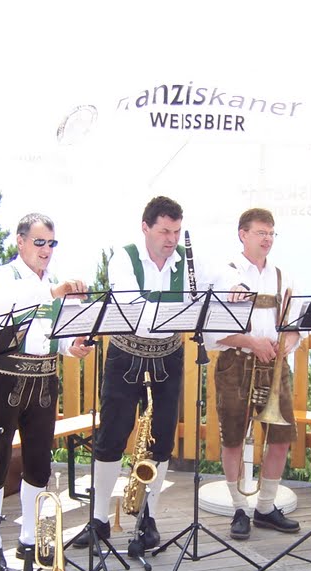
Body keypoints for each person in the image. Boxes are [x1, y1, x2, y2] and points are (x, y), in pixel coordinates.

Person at [0, 213, 91, 571]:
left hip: (44, 377)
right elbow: (11, 307)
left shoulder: (54, 281)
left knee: (39, 463)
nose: (46, 250)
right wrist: (55, 292)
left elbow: (59, 334)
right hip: (3, 377)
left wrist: (74, 346)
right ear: (20, 242)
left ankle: (29, 540)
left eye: (51, 243)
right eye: (39, 242)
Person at [75, 196, 191, 550]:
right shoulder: (124, 258)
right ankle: (98, 520)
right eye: (164, 231)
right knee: (110, 437)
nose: (171, 239)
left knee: (161, 440)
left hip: (168, 358)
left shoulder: (188, 259)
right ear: (145, 227)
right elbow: (133, 308)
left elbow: (219, 282)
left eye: (176, 231)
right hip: (125, 357)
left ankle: (147, 519)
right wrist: (179, 308)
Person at [207, 208, 303, 540]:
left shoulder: (283, 276)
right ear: (242, 234)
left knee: (280, 439)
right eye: (261, 232)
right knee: (233, 439)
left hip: (274, 366)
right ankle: (238, 508)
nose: (267, 239)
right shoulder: (225, 274)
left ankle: (264, 507)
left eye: (271, 233)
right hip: (236, 364)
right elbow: (211, 334)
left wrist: (290, 338)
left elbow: (294, 325)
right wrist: (251, 341)